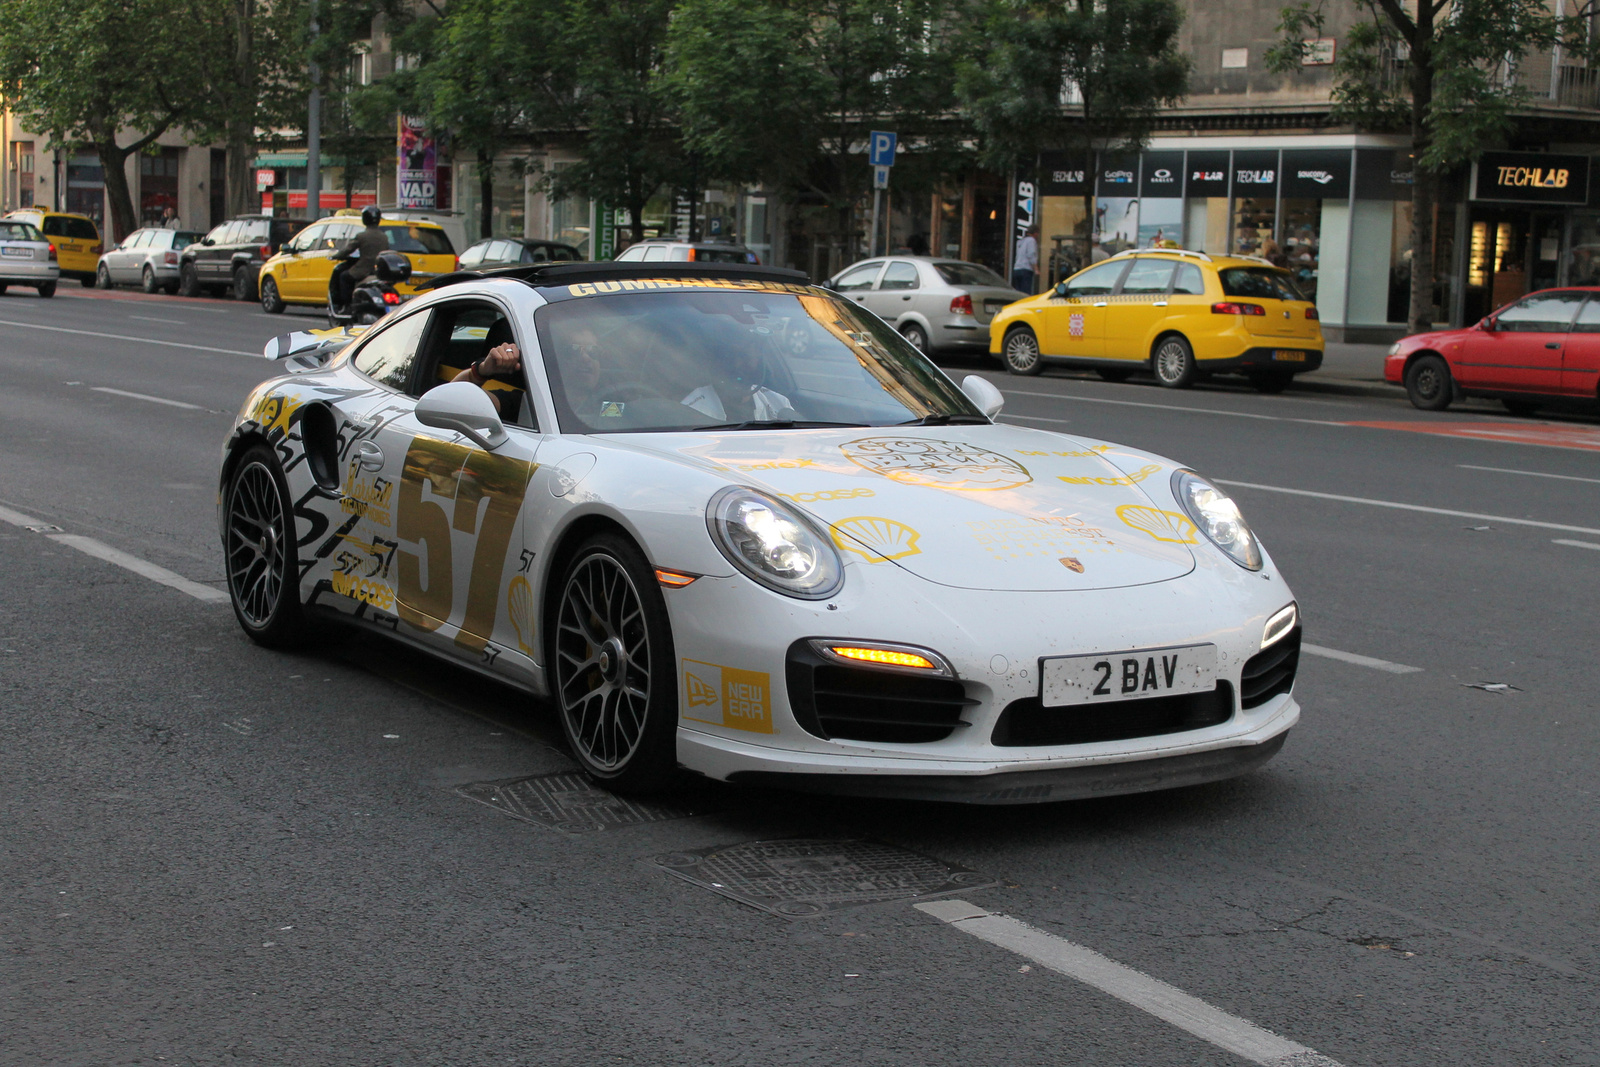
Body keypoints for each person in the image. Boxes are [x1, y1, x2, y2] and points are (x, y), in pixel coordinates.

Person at [332, 206, 388, 311]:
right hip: (378, 270)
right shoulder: (384, 236)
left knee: (344, 277)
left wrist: (337, 256)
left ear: (365, 219)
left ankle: (346, 306)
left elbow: (348, 250)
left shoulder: (361, 236)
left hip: (363, 269)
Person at [1011, 223, 1040, 294]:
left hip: (1017, 269)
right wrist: (1036, 269)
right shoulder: (1031, 241)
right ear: (1035, 233)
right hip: (1026, 269)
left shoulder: (1021, 241)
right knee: (1025, 293)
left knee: (1018, 293)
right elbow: (1031, 254)